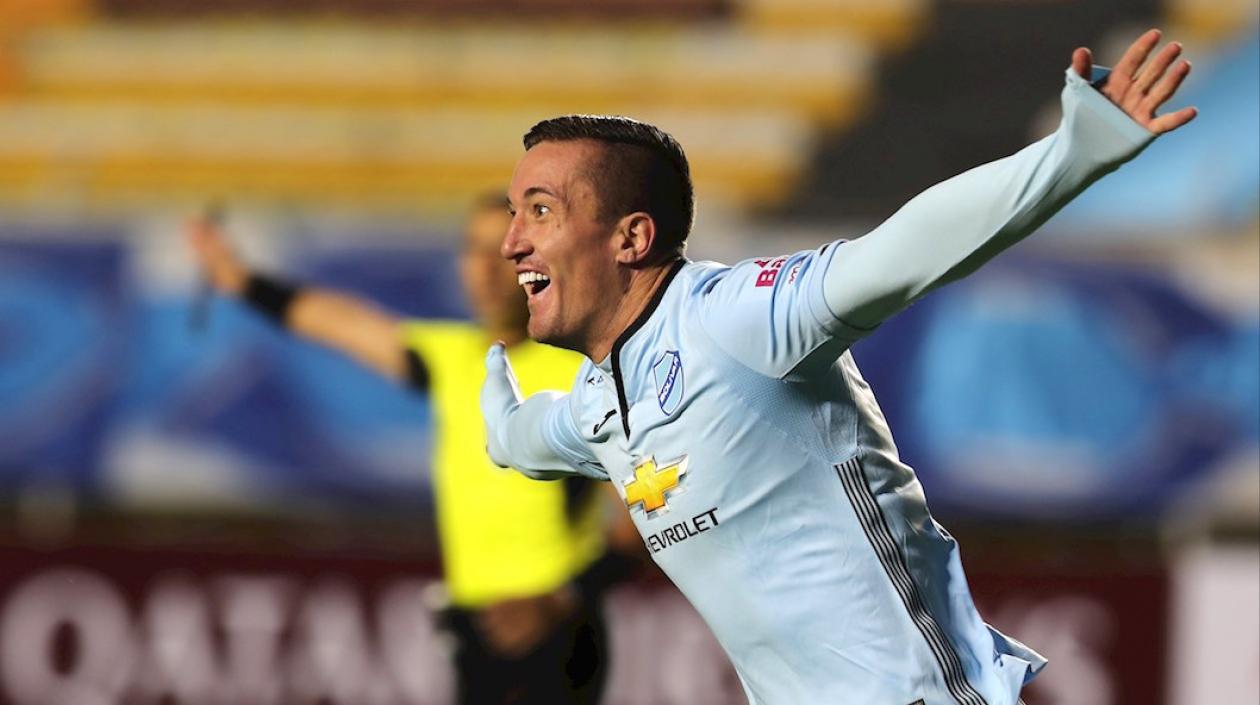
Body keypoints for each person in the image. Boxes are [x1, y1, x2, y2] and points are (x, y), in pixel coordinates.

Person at [480, 30, 1195, 705]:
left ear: (631, 237)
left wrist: (1076, 152)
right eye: (515, 212)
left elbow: (910, 246)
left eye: (539, 211)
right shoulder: (600, 402)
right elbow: (522, 438)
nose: (512, 242)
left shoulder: (733, 320)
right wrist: (490, 385)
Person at [189, 194, 638, 705]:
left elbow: (638, 518)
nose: (487, 268)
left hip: (555, 633)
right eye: (474, 249)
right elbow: (343, 323)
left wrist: (560, 601)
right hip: (475, 625)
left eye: (505, 250)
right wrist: (243, 281)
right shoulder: (454, 361)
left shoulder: (578, 372)